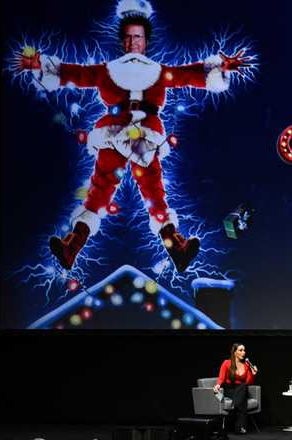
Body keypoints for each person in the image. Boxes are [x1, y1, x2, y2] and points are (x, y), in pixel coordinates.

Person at [17, 0, 252, 272]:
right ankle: (72, 246)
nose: (132, 43)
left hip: (145, 138)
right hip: (113, 134)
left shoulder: (160, 72)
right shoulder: (106, 71)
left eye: (137, 37)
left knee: (153, 193)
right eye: (128, 38)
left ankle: (176, 249)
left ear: (145, 41)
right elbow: (75, 73)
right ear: (122, 41)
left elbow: (190, 74)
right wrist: (40, 65)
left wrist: (218, 69)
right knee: (100, 191)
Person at [213, 343, 258, 434]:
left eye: (244, 350)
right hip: (230, 389)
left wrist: (253, 374)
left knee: (243, 387)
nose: (243, 352)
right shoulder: (226, 363)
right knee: (242, 399)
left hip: (241, 389)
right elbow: (221, 378)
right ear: (234, 352)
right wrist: (218, 385)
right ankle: (240, 427)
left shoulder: (246, 365)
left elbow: (248, 382)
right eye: (240, 350)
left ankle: (234, 409)